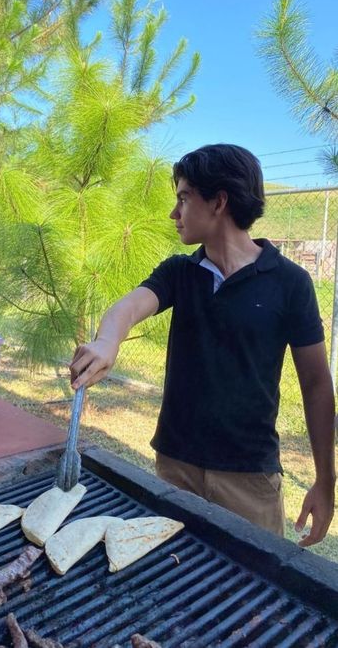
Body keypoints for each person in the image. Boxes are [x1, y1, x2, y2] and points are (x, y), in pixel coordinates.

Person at [69, 143, 336, 546]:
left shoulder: (290, 282)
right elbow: (128, 307)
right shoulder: (181, 272)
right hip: (175, 468)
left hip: (250, 479)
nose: (174, 213)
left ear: (219, 202)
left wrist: (325, 482)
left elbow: (317, 385)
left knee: (252, 596)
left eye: (183, 198)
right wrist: (108, 341)